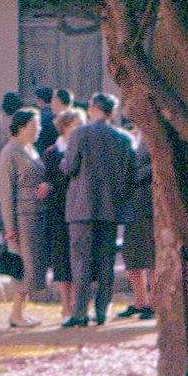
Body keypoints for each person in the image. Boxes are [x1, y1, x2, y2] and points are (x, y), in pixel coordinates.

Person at [62, 92, 137, 326]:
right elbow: (130, 176)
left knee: (81, 260)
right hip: (111, 209)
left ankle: (80, 311)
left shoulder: (80, 134)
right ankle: (102, 309)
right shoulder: (124, 139)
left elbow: (70, 166)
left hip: (82, 207)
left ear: (93, 108)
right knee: (106, 261)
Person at [0, 107, 50, 328]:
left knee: (32, 264)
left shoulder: (31, 149)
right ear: (22, 127)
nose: (38, 130)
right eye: (34, 126)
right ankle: (16, 313)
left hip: (37, 212)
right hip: (21, 216)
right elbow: (6, 192)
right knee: (23, 265)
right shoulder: (10, 152)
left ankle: (21, 311)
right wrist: (9, 227)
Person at [119, 109, 158, 318]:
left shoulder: (152, 136)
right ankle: (139, 299)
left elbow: (156, 165)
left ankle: (153, 302)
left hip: (147, 199)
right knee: (132, 252)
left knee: (150, 254)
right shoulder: (135, 137)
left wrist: (134, 176)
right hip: (134, 202)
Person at [43, 104, 79, 320]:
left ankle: (77, 302)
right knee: (61, 258)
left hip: (78, 208)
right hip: (58, 210)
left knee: (78, 257)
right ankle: (65, 303)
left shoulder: (83, 148)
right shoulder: (51, 152)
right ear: (64, 128)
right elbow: (50, 179)